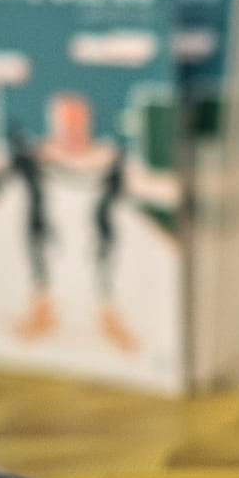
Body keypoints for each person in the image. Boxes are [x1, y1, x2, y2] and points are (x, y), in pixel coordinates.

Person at [8, 123, 54, 339]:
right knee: (37, 253)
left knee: (36, 252)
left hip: (36, 212)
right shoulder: (29, 158)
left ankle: (41, 300)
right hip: (38, 209)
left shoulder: (25, 158)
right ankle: (41, 296)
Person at [93, 136, 136, 352]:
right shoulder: (116, 172)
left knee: (106, 255)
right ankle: (105, 292)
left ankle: (106, 292)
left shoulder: (115, 172)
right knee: (105, 255)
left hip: (105, 218)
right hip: (104, 218)